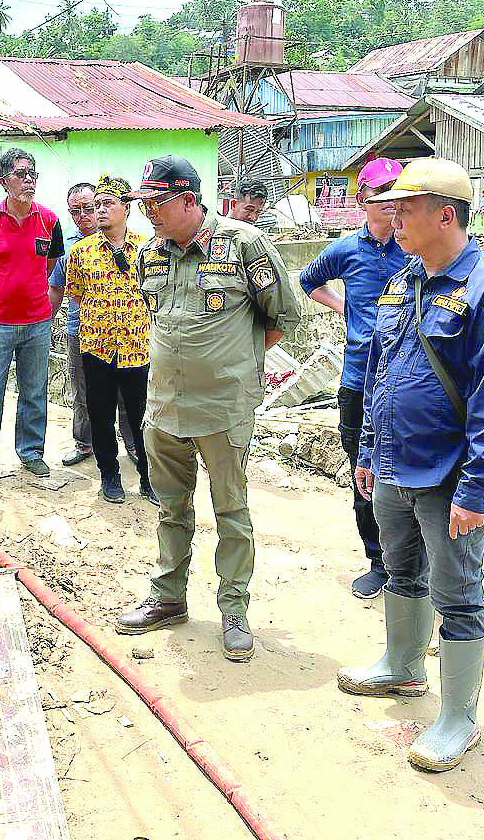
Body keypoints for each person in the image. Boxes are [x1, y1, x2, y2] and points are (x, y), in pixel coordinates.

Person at [341, 158, 484, 772]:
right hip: (394, 463)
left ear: (444, 214)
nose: (391, 216)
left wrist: (475, 491)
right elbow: (381, 371)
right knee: (400, 569)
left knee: (458, 594)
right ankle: (402, 664)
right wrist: (369, 451)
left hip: (449, 475)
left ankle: (458, 717)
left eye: (404, 207)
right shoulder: (405, 281)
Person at [115, 156, 301, 662]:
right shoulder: (150, 253)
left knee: (230, 511)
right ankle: (169, 598)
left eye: (157, 203)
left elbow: (283, 316)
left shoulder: (243, 244)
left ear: (189, 200)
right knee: (171, 507)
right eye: (144, 204)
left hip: (223, 407)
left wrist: (232, 364)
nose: (148, 212)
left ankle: (234, 608)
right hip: (164, 406)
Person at [299, 157, 409, 599]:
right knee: (363, 471)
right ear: (362, 199)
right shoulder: (346, 250)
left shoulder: (417, 246)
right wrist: (347, 309)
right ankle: (378, 559)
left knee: (409, 469)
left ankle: (412, 561)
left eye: (398, 195)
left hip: (409, 379)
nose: (391, 204)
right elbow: (309, 281)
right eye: (381, 195)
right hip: (360, 376)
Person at [0, 148, 64, 477]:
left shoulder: (49, 220)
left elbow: (49, 266)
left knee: (34, 390)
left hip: (37, 322)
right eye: (21, 174)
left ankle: (32, 451)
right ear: (3, 181)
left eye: (33, 173)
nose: (29, 180)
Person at [64, 175, 154, 505]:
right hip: (96, 348)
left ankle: (148, 477)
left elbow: (153, 294)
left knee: (140, 414)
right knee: (100, 413)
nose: (99, 211)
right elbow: (75, 293)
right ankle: (109, 476)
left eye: (107, 204)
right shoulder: (81, 252)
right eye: (96, 205)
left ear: (126, 208)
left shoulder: (148, 248)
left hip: (136, 348)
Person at [49, 181, 135, 468]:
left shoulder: (135, 246)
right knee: (83, 392)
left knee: (128, 393)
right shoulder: (70, 249)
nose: (85, 214)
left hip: (129, 334)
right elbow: (63, 290)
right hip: (83, 332)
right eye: (77, 211)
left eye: (91, 207)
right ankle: (85, 443)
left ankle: (133, 445)